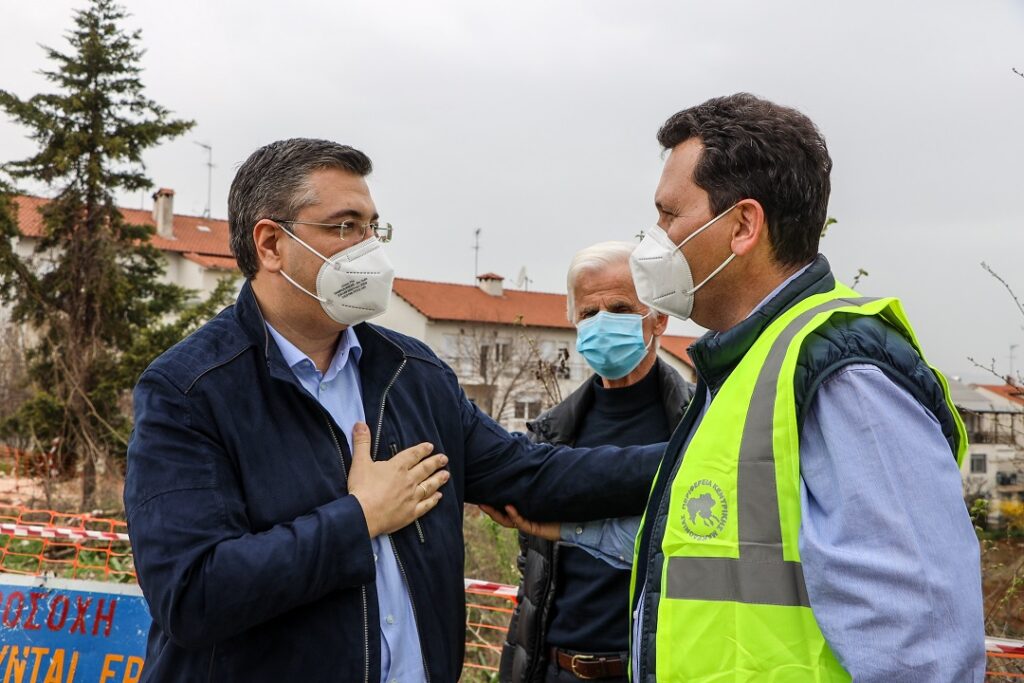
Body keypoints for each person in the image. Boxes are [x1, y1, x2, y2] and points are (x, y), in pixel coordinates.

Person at [485, 94, 985, 682]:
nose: (655, 240)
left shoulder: (843, 374)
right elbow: (713, 551)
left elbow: (920, 650)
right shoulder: (745, 368)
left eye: (669, 214)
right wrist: (566, 528)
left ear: (743, 225)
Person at [123, 139, 663, 683]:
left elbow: (533, 475)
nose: (368, 248)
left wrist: (692, 453)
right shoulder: (190, 391)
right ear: (270, 244)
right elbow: (192, 594)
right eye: (345, 227)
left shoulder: (412, 374)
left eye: (373, 228)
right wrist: (359, 519)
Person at [499, 242, 695, 683]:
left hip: (653, 669)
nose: (603, 322)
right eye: (589, 313)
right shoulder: (551, 434)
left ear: (659, 318)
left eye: (621, 308)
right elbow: (536, 576)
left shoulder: (696, 426)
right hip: (555, 669)